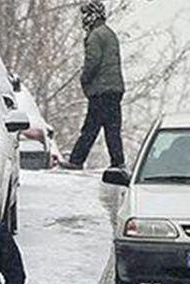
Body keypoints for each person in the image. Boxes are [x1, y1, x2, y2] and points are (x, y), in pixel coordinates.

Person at [66, 0, 126, 170]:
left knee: (90, 128)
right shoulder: (109, 33)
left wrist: (84, 79)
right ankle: (118, 162)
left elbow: (92, 61)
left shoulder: (95, 36)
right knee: (112, 128)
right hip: (114, 89)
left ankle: (76, 160)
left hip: (101, 90)